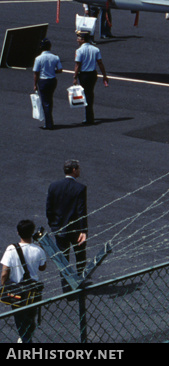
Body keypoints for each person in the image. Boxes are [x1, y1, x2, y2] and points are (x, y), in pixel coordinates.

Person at [1, 220, 47, 342]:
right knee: (31, 317)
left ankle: (25, 340)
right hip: (33, 291)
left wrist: (3, 285)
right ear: (32, 232)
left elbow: (5, 272)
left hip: (17, 290)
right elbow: (42, 267)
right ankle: (27, 337)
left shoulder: (11, 249)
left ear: (18, 232)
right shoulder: (38, 250)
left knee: (19, 318)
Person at [46, 160, 87, 293]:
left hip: (60, 230)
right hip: (76, 230)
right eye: (78, 168)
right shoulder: (80, 188)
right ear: (74, 170)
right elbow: (81, 211)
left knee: (63, 260)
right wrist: (83, 230)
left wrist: (53, 225)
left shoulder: (53, 186)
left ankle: (66, 288)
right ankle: (79, 281)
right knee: (80, 257)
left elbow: (49, 209)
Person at [73, 32, 108, 126]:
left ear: (83, 40)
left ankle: (89, 117)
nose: (77, 40)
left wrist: (75, 77)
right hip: (93, 74)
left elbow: (77, 65)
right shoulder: (95, 49)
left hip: (83, 75)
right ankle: (89, 115)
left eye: (79, 38)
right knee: (90, 93)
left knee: (86, 95)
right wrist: (104, 75)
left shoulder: (79, 51)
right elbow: (100, 63)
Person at [31, 39, 62, 131]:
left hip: (43, 81)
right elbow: (60, 70)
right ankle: (49, 121)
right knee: (49, 100)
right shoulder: (55, 57)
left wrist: (35, 84)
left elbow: (36, 73)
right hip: (52, 81)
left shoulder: (38, 58)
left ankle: (49, 123)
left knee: (45, 102)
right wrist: (52, 71)